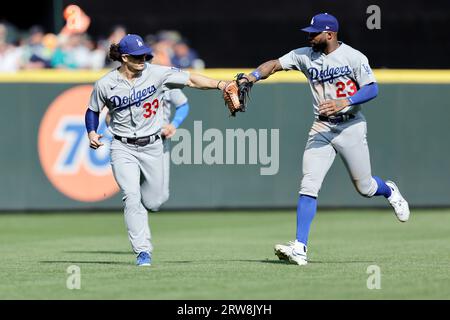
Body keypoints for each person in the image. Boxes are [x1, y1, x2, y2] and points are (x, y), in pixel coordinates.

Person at [238, 13, 410, 266]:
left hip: (350, 126)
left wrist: (346, 101)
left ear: (329, 34)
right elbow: (274, 64)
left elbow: (372, 88)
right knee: (309, 184)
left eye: (314, 33)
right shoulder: (304, 55)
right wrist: (251, 76)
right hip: (321, 127)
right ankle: (300, 247)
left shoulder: (353, 57)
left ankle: (389, 190)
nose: (309, 37)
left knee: (365, 188)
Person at [85, 34, 228, 266]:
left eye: (145, 55)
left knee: (154, 202)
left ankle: (142, 203)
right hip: (122, 146)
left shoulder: (158, 73)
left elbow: (191, 80)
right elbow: (92, 110)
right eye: (137, 56)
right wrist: (92, 132)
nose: (143, 58)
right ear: (124, 57)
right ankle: (143, 251)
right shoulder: (105, 83)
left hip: (154, 145)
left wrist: (220, 84)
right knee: (131, 197)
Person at [160, 89, 190, 205]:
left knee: (161, 196)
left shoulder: (167, 79)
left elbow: (183, 105)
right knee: (132, 193)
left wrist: (174, 124)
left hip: (160, 141)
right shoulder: (130, 79)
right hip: (133, 142)